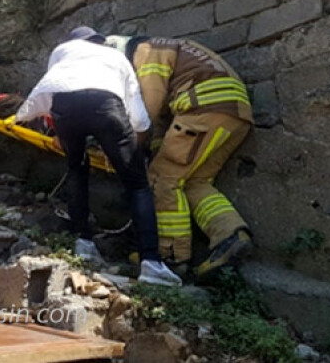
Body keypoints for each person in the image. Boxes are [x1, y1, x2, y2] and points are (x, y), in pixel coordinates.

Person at [15, 26, 182, 286]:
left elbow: (54, 87)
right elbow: (138, 117)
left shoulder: (62, 50)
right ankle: (151, 263)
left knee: (76, 168)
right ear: (99, 42)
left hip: (65, 108)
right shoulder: (116, 58)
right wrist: (133, 149)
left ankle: (83, 242)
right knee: (138, 185)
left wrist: (58, 129)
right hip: (106, 107)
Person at [102, 33, 254, 277]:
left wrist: (129, 149)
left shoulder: (146, 53)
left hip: (202, 110)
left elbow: (147, 114)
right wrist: (154, 148)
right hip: (234, 113)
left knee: (163, 180)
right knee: (195, 182)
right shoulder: (170, 48)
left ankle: (170, 256)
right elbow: (164, 118)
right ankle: (230, 236)